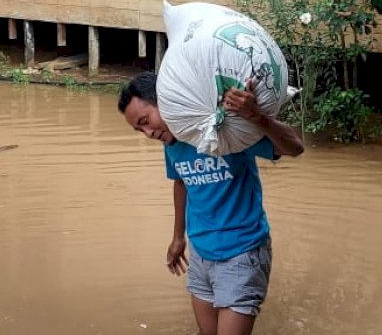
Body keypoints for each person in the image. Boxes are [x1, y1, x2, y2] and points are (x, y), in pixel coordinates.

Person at [118, 72, 304, 335]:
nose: (149, 133)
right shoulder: (171, 141)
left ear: (166, 101)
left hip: (242, 253)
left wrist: (256, 116)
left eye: (146, 121)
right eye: (140, 129)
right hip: (201, 256)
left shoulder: (224, 129)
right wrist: (177, 237)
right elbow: (181, 182)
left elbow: (295, 147)